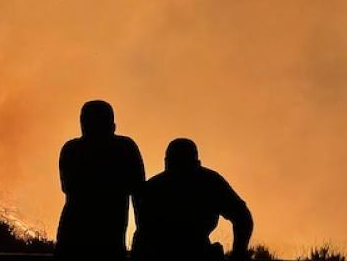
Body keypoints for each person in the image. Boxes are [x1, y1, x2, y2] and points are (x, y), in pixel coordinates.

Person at [132, 138, 253, 261]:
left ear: (166, 162)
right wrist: (239, 253)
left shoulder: (211, 183)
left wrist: (239, 253)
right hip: (166, 253)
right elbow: (242, 216)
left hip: (191, 253)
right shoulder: (211, 182)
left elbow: (242, 217)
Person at [56, 100, 145, 260]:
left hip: (74, 235)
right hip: (109, 235)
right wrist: (142, 236)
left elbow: (68, 187)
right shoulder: (125, 148)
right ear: (113, 125)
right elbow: (139, 195)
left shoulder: (71, 149)